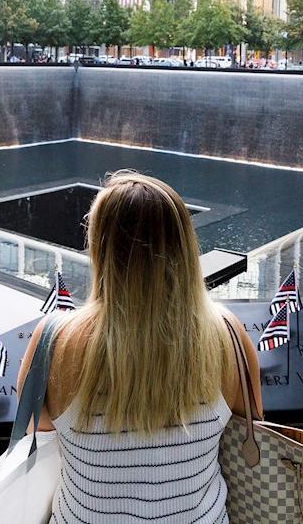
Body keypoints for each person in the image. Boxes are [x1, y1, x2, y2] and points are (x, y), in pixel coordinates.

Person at [15, 172, 261, 524]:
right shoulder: (228, 336)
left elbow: (38, 439)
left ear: (101, 249)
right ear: (184, 247)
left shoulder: (53, 342)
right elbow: (250, 432)